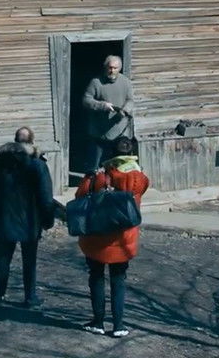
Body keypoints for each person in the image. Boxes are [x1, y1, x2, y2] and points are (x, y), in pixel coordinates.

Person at [75, 136, 149, 337]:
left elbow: (80, 195)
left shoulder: (99, 177)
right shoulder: (139, 178)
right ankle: (118, 325)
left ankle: (98, 322)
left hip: (97, 238)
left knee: (96, 277)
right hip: (124, 239)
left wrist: (91, 176)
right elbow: (143, 189)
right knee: (119, 280)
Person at [0, 141, 55, 308]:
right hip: (29, 220)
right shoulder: (36, 166)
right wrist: (48, 220)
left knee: (3, 259)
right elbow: (46, 197)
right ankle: (30, 297)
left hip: (4, 220)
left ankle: (0, 295)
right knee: (29, 260)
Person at [82, 55, 134, 173]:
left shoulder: (126, 82)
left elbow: (130, 100)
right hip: (99, 132)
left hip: (120, 131)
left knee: (118, 167)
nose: (112, 71)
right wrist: (102, 105)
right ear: (105, 67)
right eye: (110, 67)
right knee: (94, 168)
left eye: (115, 68)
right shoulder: (96, 82)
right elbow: (86, 100)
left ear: (120, 68)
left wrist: (125, 109)